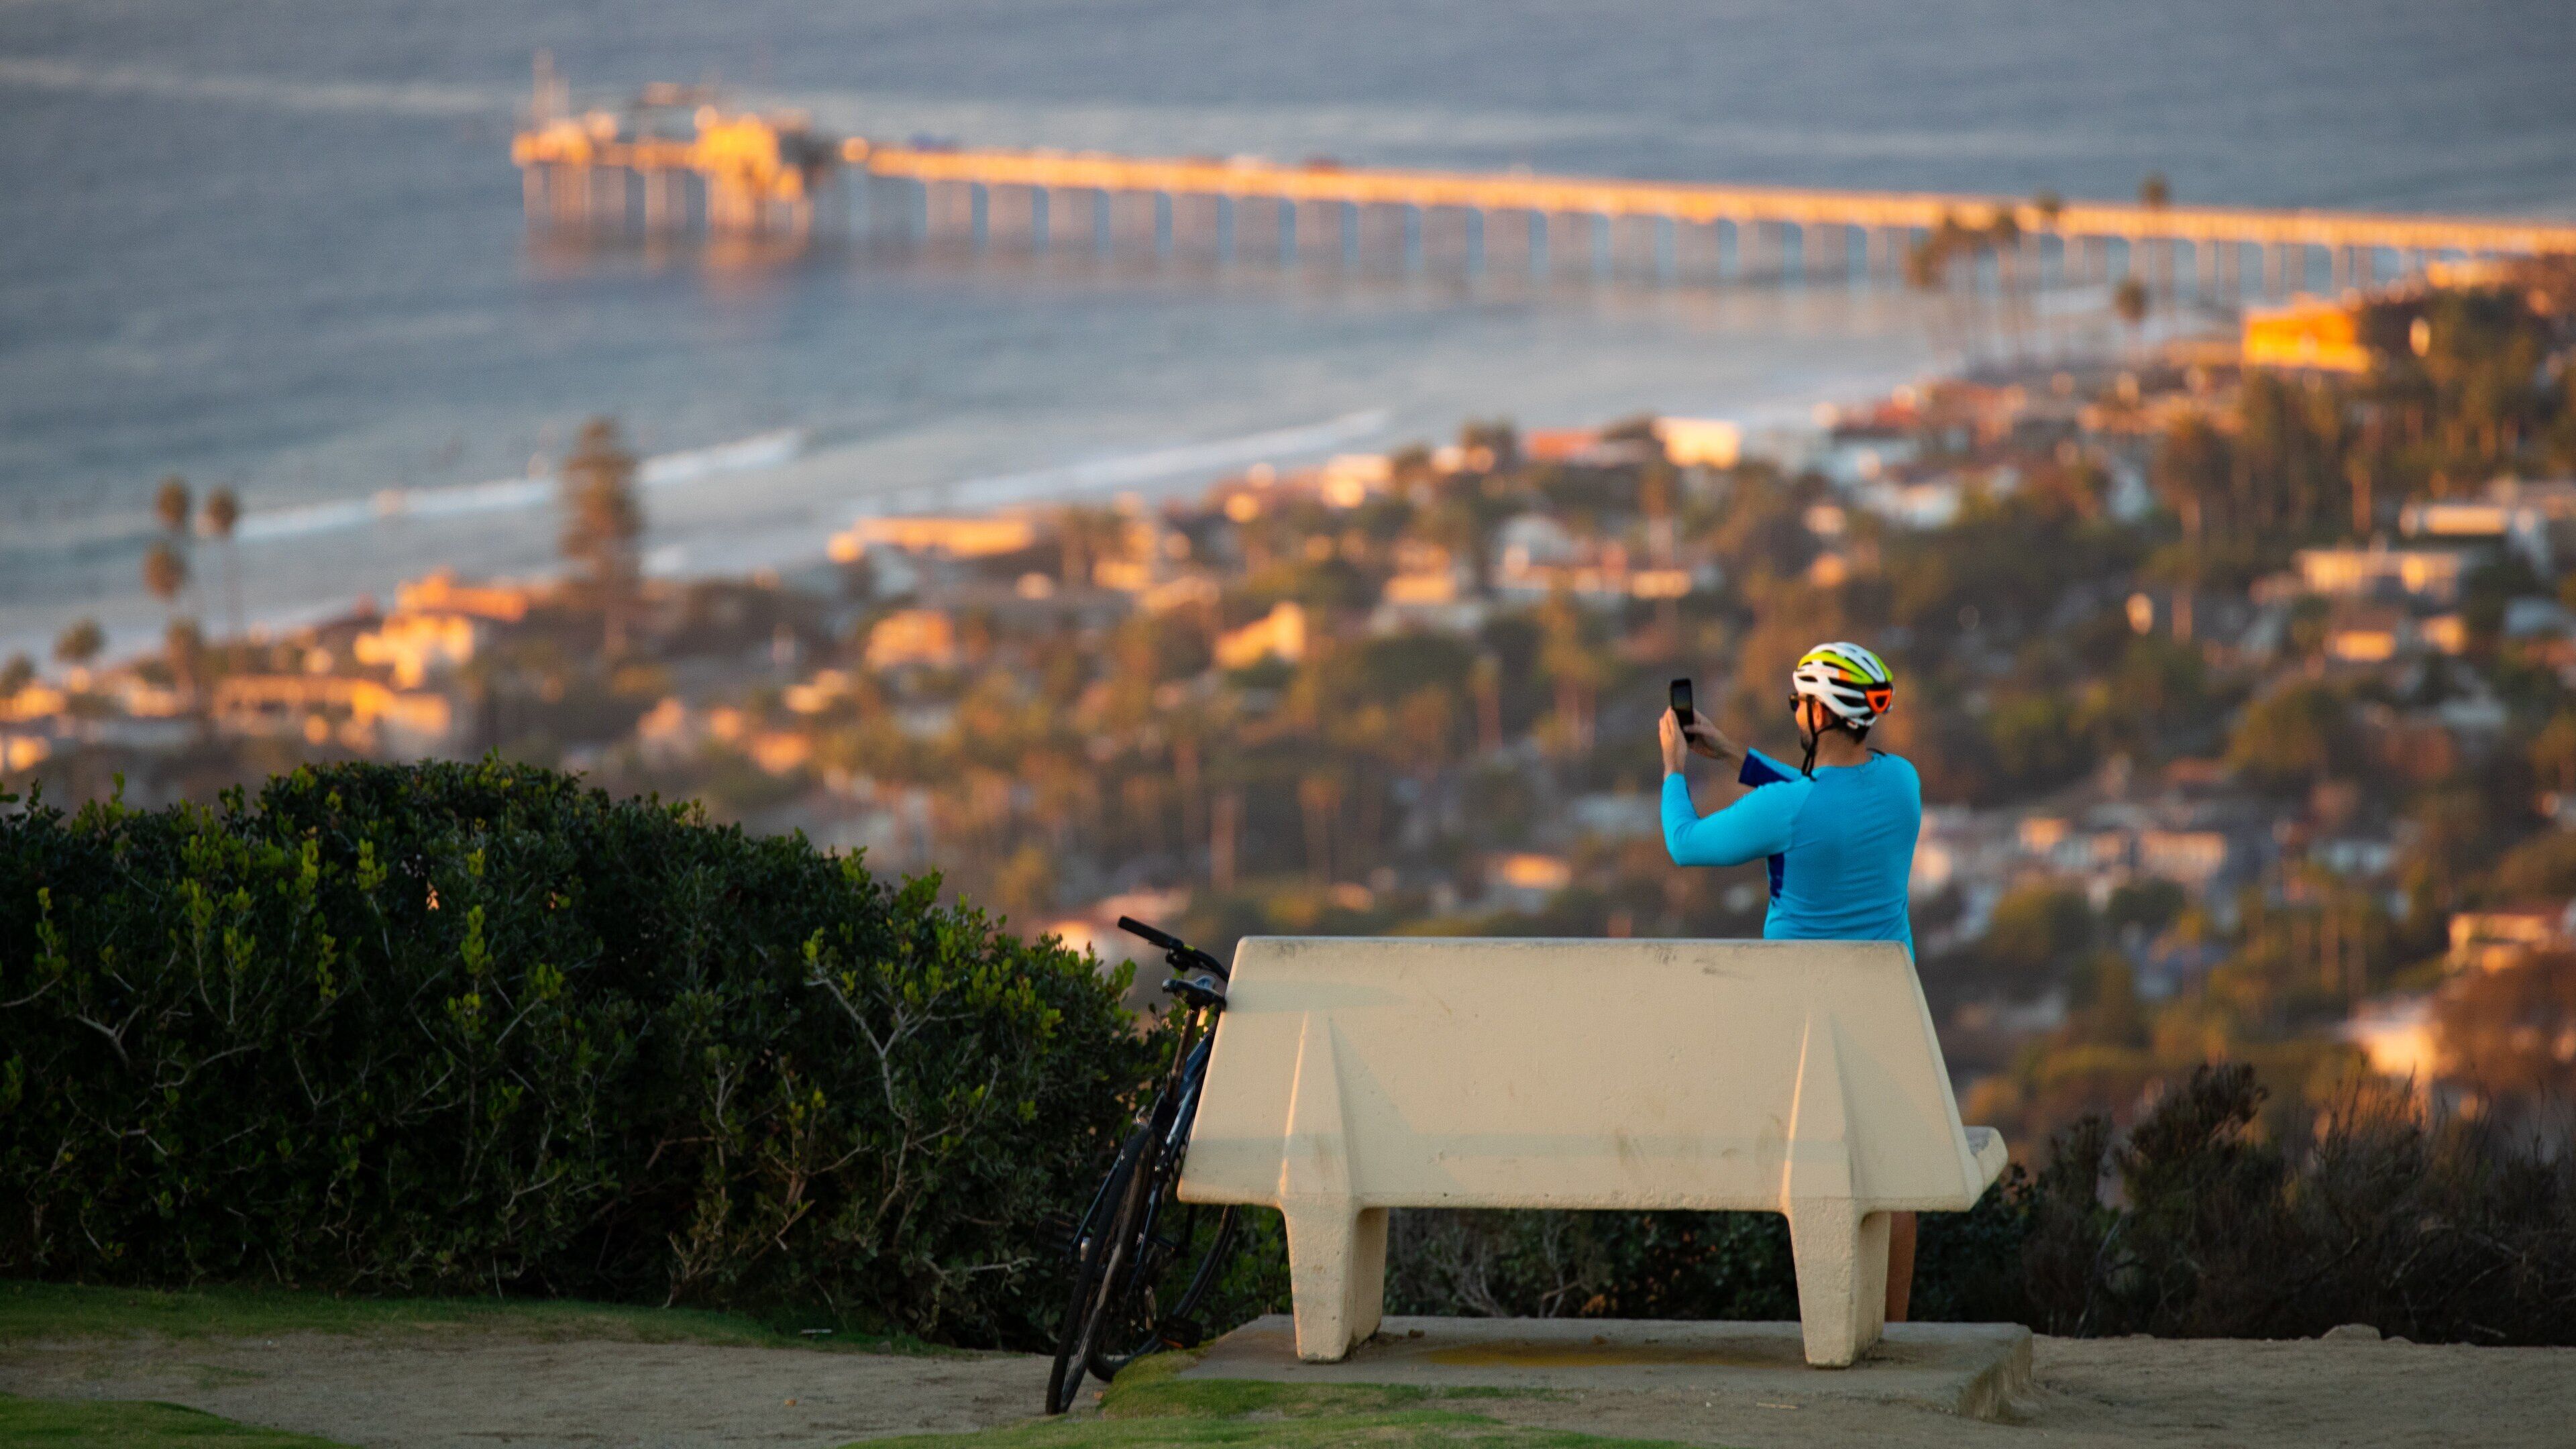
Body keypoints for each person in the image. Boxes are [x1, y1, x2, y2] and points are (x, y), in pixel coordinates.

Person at [1657, 640, 1924, 1321]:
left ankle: (1825, 1322)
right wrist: (1736, 756)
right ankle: (1886, 1328)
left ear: (1822, 715)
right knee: (1893, 1182)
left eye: (1797, 703)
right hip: (1890, 1017)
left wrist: (1674, 769)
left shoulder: (1787, 812)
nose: (1793, 714)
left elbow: (1685, 843)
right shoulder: (1904, 785)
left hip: (1801, 1031)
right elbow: (1820, 799)